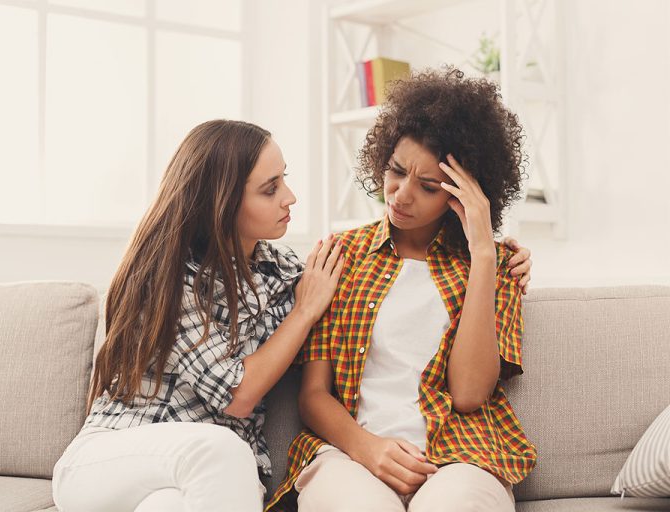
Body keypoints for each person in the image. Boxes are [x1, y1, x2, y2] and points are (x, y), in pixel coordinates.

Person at [52, 117, 532, 512]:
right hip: (121, 455)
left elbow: (469, 391)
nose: (291, 197)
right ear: (221, 202)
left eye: (285, 179)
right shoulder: (172, 275)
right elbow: (240, 395)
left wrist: (489, 256)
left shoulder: (283, 270)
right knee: (223, 452)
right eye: (270, 188)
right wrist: (305, 312)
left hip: (205, 478)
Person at [266, 67, 537, 512]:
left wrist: (485, 256)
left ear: (464, 194)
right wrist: (368, 448)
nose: (401, 195)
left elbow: (470, 394)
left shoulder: (498, 266)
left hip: (461, 458)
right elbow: (314, 396)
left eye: (428, 186)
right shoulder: (342, 256)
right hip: (351, 456)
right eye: (396, 171)